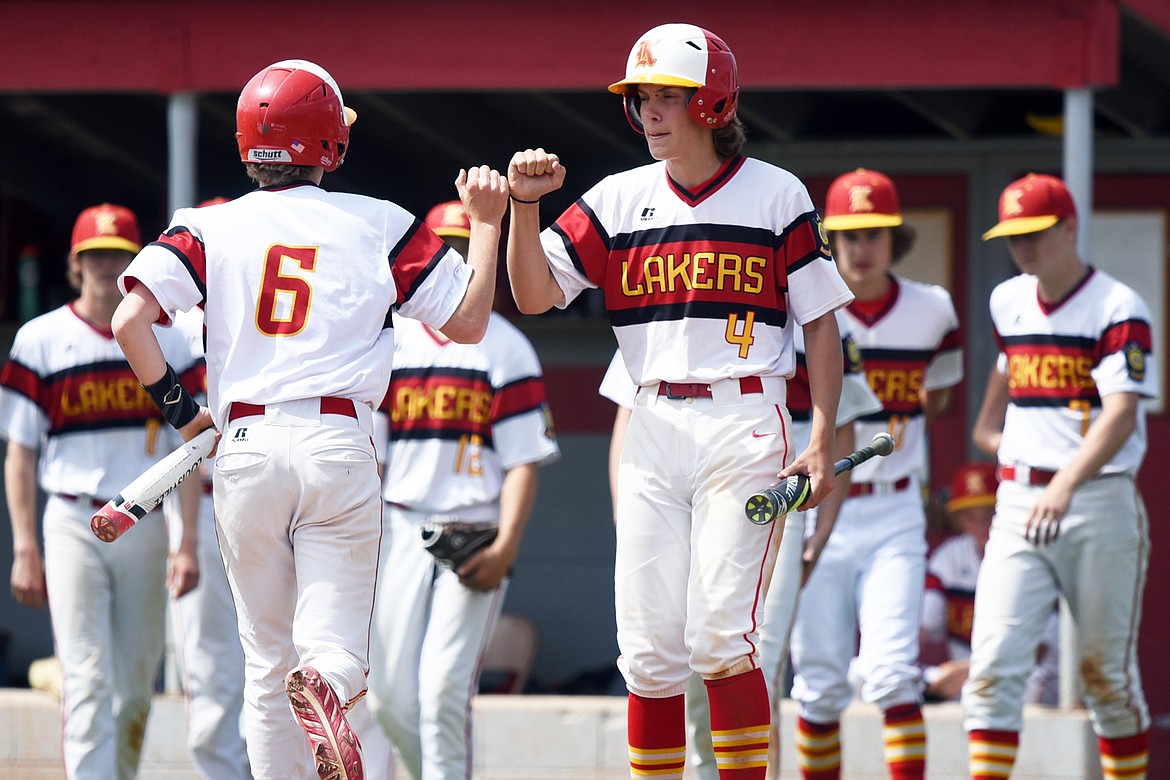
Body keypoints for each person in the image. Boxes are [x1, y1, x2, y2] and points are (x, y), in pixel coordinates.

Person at [109, 59, 508, 780]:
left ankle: (306, 694)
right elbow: (471, 321)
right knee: (335, 645)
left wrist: (183, 414)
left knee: (265, 662)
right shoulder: (382, 221)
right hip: (337, 439)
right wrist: (485, 224)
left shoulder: (206, 224)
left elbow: (129, 319)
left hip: (246, 441)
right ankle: (327, 676)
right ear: (331, 145)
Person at [507, 24, 854, 779]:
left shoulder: (776, 192)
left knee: (721, 636)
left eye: (669, 97)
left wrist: (822, 434)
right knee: (649, 649)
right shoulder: (617, 197)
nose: (652, 113)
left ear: (713, 101)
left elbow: (821, 326)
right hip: (651, 421)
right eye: (643, 99)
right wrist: (525, 209)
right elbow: (533, 295)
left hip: (745, 417)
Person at [600, 312, 882, 780]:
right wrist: (627, 520)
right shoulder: (662, 285)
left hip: (768, 485)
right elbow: (626, 417)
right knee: (674, 657)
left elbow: (842, 426)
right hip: (666, 486)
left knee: (749, 653)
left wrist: (818, 539)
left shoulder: (807, 302)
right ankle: (702, 771)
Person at [0, 203, 203, 780]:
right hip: (71, 519)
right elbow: (20, 451)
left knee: (137, 685)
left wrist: (186, 542)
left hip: (143, 518)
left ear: (134, 264)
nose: (104, 266)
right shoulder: (41, 338)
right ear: (74, 263)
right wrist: (23, 545)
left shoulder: (171, 339)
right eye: (94, 256)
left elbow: (191, 445)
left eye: (116, 256)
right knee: (86, 678)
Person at [963, 173, 1155, 780]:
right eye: (1013, 236)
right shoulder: (1008, 300)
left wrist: (1063, 480)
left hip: (1095, 498)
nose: (1023, 248)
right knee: (991, 670)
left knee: (1107, 680)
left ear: (1069, 228)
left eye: (1035, 234)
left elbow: (1122, 416)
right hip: (1022, 499)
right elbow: (993, 408)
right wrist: (1010, 449)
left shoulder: (1118, 304)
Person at [367, 200, 560, 780]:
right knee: (390, 699)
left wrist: (505, 548)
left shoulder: (505, 345)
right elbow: (371, 456)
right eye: (443, 248)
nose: (453, 261)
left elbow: (525, 460)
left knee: (442, 692)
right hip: (400, 521)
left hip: (474, 526)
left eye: (462, 248)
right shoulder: (392, 338)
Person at [788, 168, 963, 780]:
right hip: (816, 508)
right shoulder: (800, 314)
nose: (862, 248)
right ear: (829, 239)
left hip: (892, 509)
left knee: (891, 674)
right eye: (850, 234)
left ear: (896, 238)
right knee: (819, 682)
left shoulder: (933, 310)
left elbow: (936, 398)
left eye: (875, 233)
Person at [162, 296, 252, 779]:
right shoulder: (181, 328)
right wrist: (187, 543)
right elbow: (185, 444)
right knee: (213, 673)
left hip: (275, 500)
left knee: (284, 665)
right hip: (207, 496)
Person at [920, 462, 1059, 706]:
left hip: (1029, 679)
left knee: (1023, 689)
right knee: (872, 678)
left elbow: (1039, 649)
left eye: (988, 514)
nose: (981, 525)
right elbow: (922, 629)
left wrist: (971, 670)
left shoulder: (1031, 552)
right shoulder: (950, 558)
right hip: (963, 682)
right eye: (970, 517)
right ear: (958, 520)